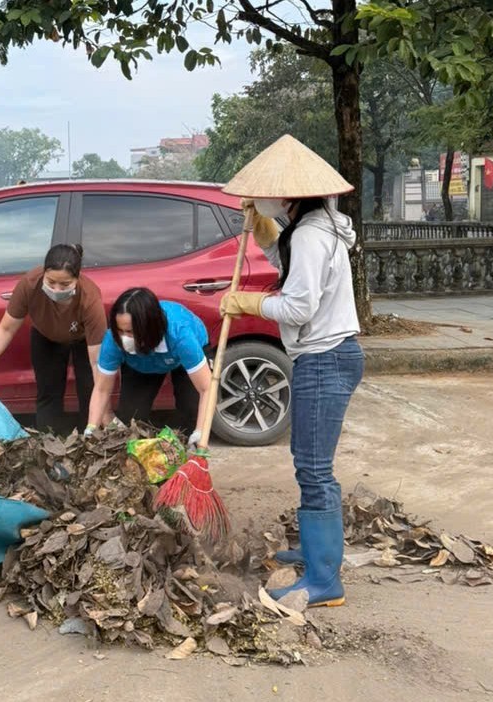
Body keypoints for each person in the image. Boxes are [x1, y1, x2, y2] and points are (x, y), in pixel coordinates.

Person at [219, 134, 364, 607]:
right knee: (312, 465)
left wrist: (248, 302)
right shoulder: (320, 226)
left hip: (323, 358)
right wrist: (263, 230)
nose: (267, 199)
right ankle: (317, 553)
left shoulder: (310, 233)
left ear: (288, 196)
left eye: (271, 196)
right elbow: (293, 268)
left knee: (314, 469)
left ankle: (324, 581)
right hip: (331, 354)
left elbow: (298, 305)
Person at [0, 244, 107, 433]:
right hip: (45, 337)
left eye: (65, 284)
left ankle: (89, 437)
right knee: (48, 392)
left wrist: (97, 418)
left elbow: (96, 362)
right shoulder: (29, 284)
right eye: (51, 282)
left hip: (84, 341)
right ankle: (49, 442)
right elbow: (6, 328)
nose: (57, 289)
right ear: (43, 273)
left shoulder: (89, 298)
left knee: (89, 389)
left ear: (77, 278)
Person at [86, 287, 211, 447]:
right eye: (120, 330)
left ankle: (184, 451)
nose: (125, 338)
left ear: (149, 327)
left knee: (191, 409)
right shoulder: (113, 340)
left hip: (181, 358)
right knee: (131, 417)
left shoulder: (181, 336)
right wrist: (91, 428)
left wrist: (201, 431)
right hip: (141, 363)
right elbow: (102, 390)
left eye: (131, 332)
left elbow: (206, 389)